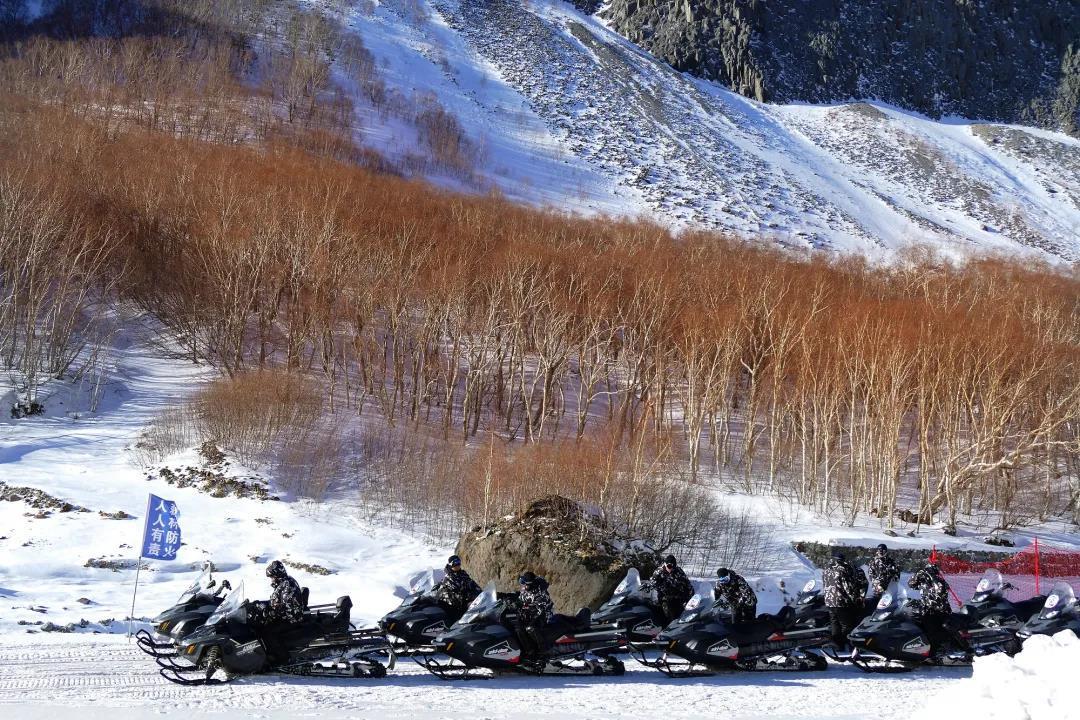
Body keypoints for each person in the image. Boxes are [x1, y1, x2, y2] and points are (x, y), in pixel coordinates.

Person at [251, 560, 304, 665]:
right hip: (286, 616)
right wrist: (260, 605)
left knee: (268, 632)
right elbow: (276, 602)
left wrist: (270, 613)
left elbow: (285, 607)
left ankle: (283, 659)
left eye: (272, 577)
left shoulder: (287, 585)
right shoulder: (283, 583)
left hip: (291, 619)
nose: (271, 580)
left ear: (277, 575)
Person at [908, 561, 964, 656]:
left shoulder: (939, 581)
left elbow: (940, 592)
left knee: (933, 630)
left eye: (929, 571)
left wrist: (932, 577)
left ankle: (937, 651)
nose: (925, 575)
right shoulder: (923, 581)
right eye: (926, 572)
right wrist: (917, 574)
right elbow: (911, 584)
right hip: (928, 610)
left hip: (941, 611)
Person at [822, 551, 868, 650]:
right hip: (841, 601)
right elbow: (848, 588)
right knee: (847, 625)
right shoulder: (842, 570)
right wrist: (856, 599)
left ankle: (837, 646)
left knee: (835, 624)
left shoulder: (826, 569)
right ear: (842, 560)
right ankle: (850, 645)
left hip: (829, 602)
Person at [515, 571, 554, 659]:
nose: (523, 586)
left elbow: (539, 608)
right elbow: (520, 598)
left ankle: (543, 650)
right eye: (523, 584)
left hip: (543, 616)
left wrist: (526, 608)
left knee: (530, 628)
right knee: (517, 627)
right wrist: (505, 597)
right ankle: (527, 649)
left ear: (531, 585)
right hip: (529, 614)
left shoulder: (541, 592)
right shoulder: (526, 589)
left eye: (525, 585)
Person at [650, 555, 694, 623]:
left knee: (685, 615)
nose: (671, 568)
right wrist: (663, 587)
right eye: (669, 566)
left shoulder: (678, 571)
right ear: (665, 564)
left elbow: (687, 583)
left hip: (679, 597)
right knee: (671, 615)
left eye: (674, 566)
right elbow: (653, 584)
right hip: (666, 598)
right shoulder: (659, 572)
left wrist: (691, 594)